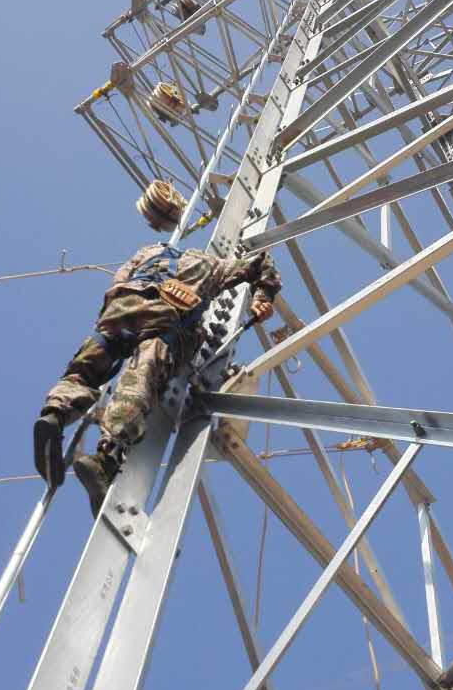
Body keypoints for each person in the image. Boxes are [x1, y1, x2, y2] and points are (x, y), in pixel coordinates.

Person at [33, 181, 280, 515]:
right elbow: (262, 262)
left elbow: (118, 281)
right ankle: (106, 457)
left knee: (87, 368)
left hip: (121, 308)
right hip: (165, 319)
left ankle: (55, 413)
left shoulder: (147, 252)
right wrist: (263, 297)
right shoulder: (212, 265)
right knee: (142, 376)